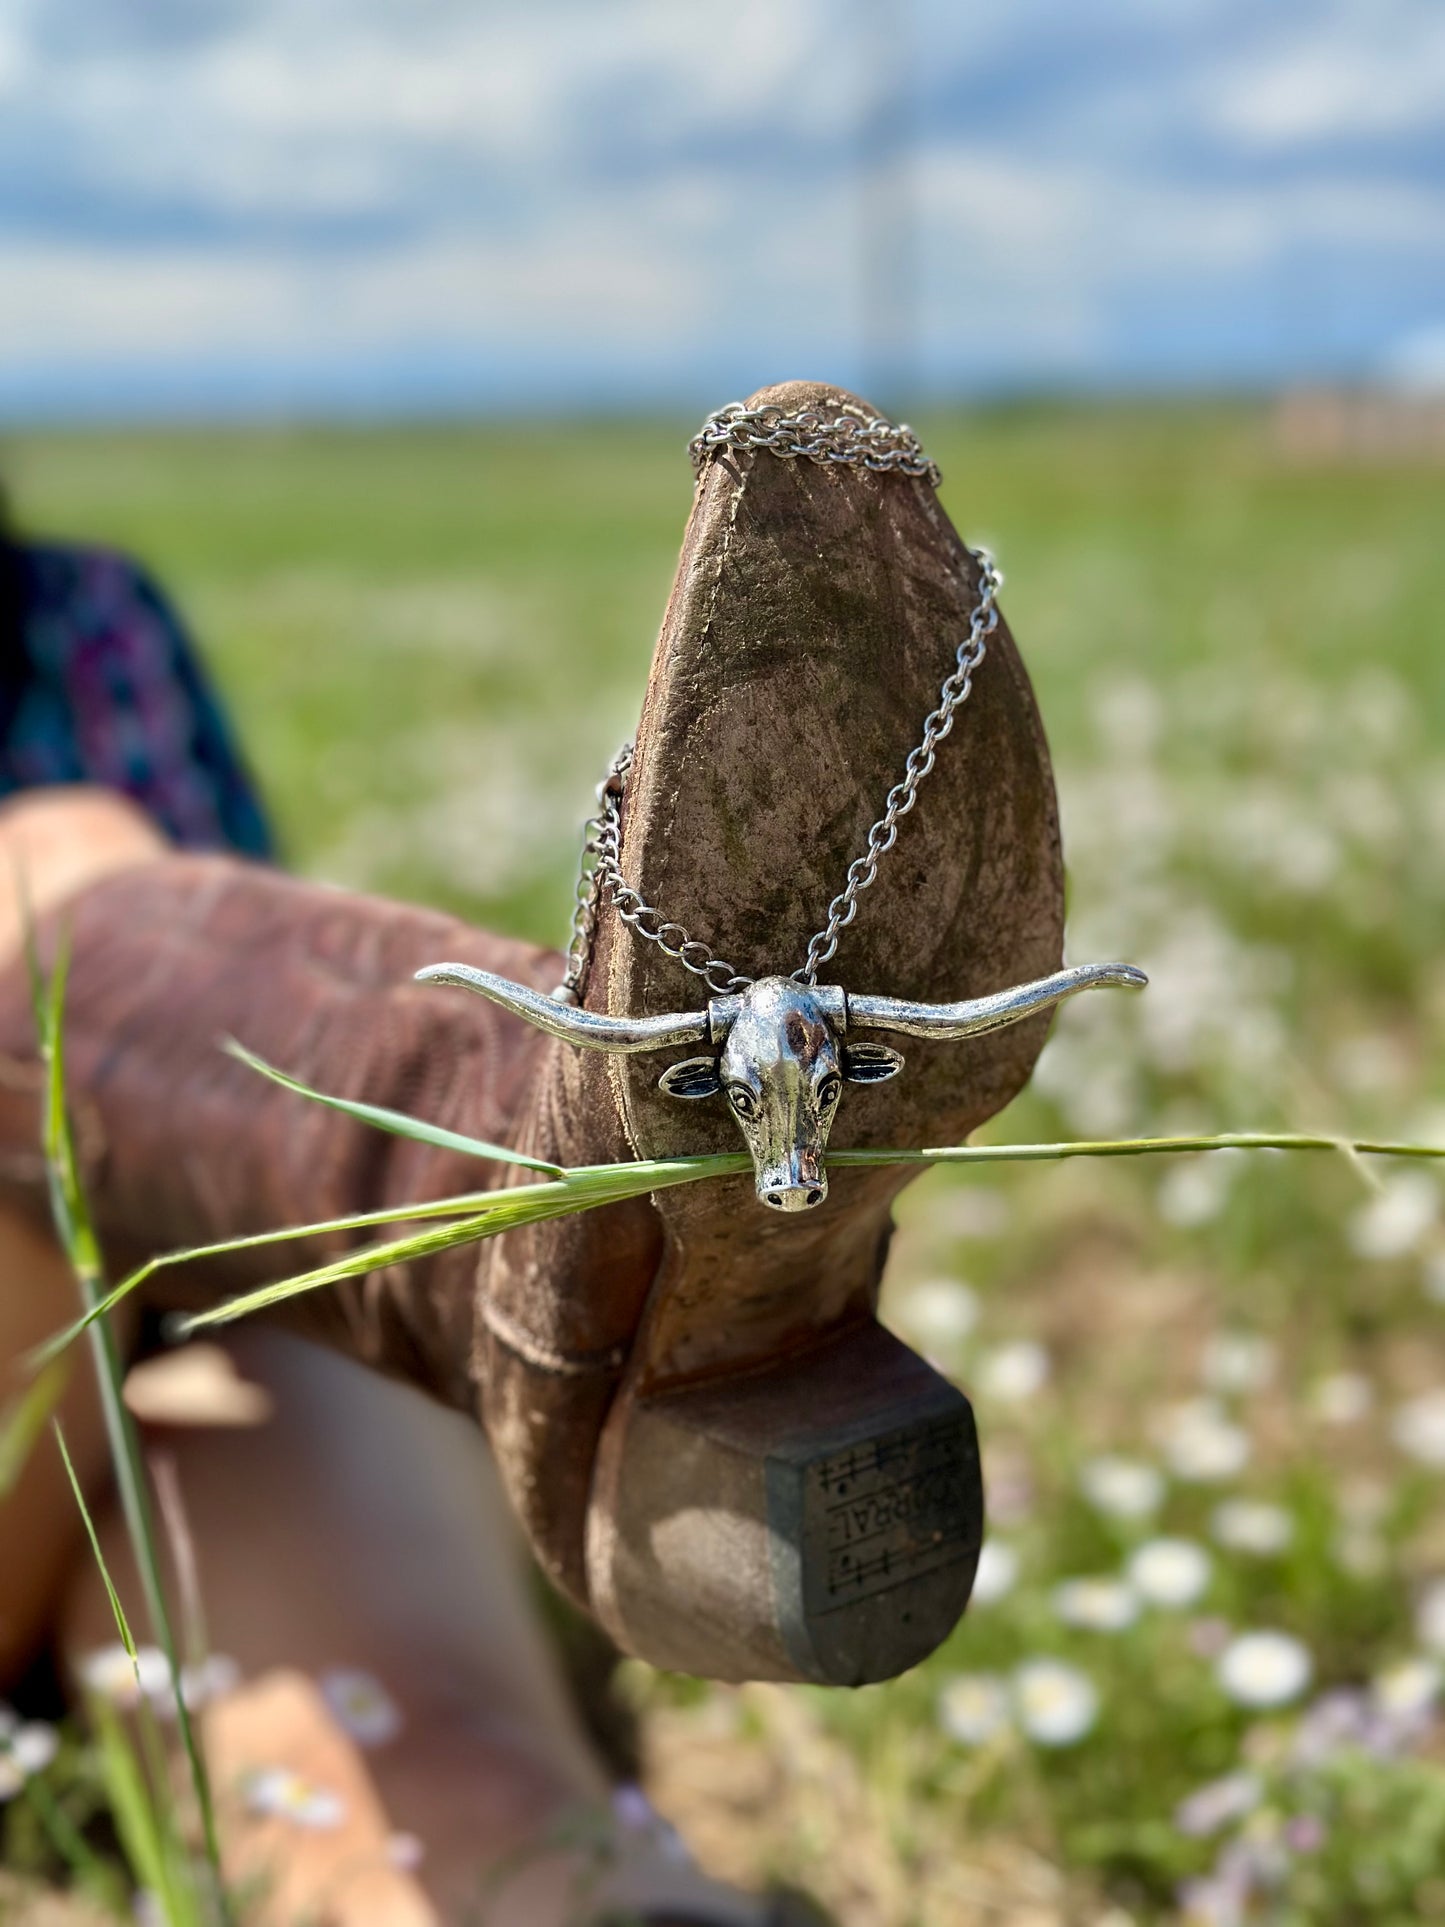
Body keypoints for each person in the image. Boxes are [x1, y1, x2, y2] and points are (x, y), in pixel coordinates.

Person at [0, 382, 1069, 1923]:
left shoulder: (74, 617)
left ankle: (564, 1238)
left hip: (187, 1345)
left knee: (456, 1824)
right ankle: (555, 1209)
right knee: (55, 854)